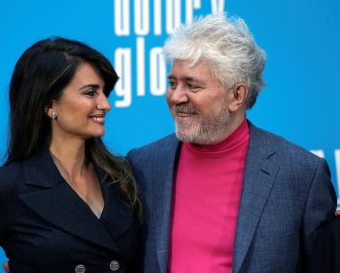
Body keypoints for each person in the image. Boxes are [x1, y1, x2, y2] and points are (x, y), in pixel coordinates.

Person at [126, 14, 336, 272]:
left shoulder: (301, 173)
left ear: (236, 95)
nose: (176, 96)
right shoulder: (142, 164)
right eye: (172, 83)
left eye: (192, 85)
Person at [0, 37, 141, 272]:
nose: (105, 104)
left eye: (103, 92)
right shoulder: (4, 188)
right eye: (90, 93)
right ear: (50, 105)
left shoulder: (123, 175)